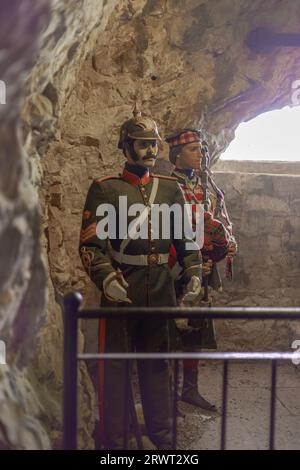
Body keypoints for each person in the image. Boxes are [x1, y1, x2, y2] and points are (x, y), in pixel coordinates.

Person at [79, 112, 203, 449]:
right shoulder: (105, 188)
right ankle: (116, 439)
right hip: (123, 288)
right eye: (142, 144)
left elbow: (187, 241)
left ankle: (162, 435)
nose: (150, 150)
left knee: (158, 364)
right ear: (126, 146)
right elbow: (91, 246)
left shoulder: (170, 190)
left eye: (153, 144)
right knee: (115, 368)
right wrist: (106, 279)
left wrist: (193, 273)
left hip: (161, 289)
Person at [165, 128, 238, 411]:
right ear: (177, 154)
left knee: (195, 328)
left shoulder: (208, 187)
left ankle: (190, 390)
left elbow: (219, 221)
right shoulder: (166, 186)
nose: (201, 154)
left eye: (202, 149)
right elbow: (161, 230)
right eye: (194, 149)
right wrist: (184, 260)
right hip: (174, 268)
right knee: (171, 328)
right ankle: (167, 392)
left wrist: (221, 248)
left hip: (204, 267)